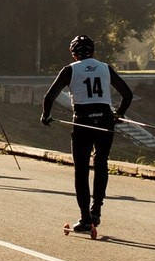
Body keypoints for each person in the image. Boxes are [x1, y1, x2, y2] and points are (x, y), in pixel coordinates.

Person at [40, 35, 133, 234]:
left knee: (81, 170)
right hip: (105, 118)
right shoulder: (105, 68)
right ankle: (96, 211)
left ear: (74, 54)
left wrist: (46, 115)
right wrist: (119, 114)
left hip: (83, 120)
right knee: (101, 163)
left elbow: (49, 97)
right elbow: (127, 94)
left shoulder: (70, 69)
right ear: (93, 51)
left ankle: (85, 218)